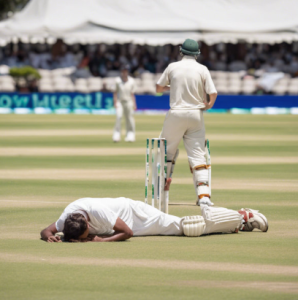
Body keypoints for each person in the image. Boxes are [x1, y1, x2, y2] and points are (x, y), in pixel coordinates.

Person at [40, 197, 268, 243]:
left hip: (137, 216)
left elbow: (127, 232)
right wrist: (50, 237)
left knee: (186, 227)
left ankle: (242, 217)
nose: (86, 239)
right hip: (123, 223)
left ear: (88, 225)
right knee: (186, 227)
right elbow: (45, 231)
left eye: (85, 235)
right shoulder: (65, 219)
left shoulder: (97, 211)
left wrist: (102, 241)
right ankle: (236, 221)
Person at [156, 39, 218, 206]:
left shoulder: (172, 67)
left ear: (181, 52)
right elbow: (213, 93)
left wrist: (174, 86)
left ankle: (161, 193)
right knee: (198, 156)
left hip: (176, 113)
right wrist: (209, 105)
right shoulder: (202, 69)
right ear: (197, 54)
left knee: (166, 153)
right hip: (196, 115)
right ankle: (204, 197)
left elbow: (158, 88)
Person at [112, 65, 137, 142]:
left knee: (129, 118)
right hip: (120, 101)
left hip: (129, 101)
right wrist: (115, 102)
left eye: (126, 71)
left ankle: (130, 135)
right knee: (119, 117)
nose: (124, 72)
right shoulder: (117, 81)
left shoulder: (132, 81)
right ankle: (116, 135)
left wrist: (134, 104)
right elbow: (115, 92)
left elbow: (132, 94)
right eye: (123, 71)